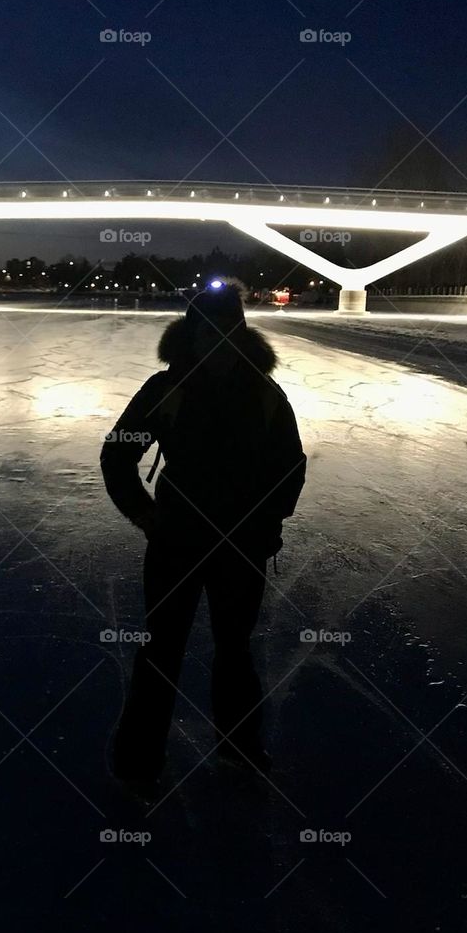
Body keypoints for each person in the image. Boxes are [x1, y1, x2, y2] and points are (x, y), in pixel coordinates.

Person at [100, 281, 306, 782]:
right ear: (190, 334)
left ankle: (239, 748)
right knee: (162, 649)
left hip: (241, 547)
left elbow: (290, 465)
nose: (216, 339)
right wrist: (146, 516)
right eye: (206, 330)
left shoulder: (264, 394)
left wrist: (269, 523)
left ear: (239, 333)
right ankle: (137, 762)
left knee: (234, 649)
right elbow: (118, 453)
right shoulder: (166, 390)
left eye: (226, 329)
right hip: (177, 544)